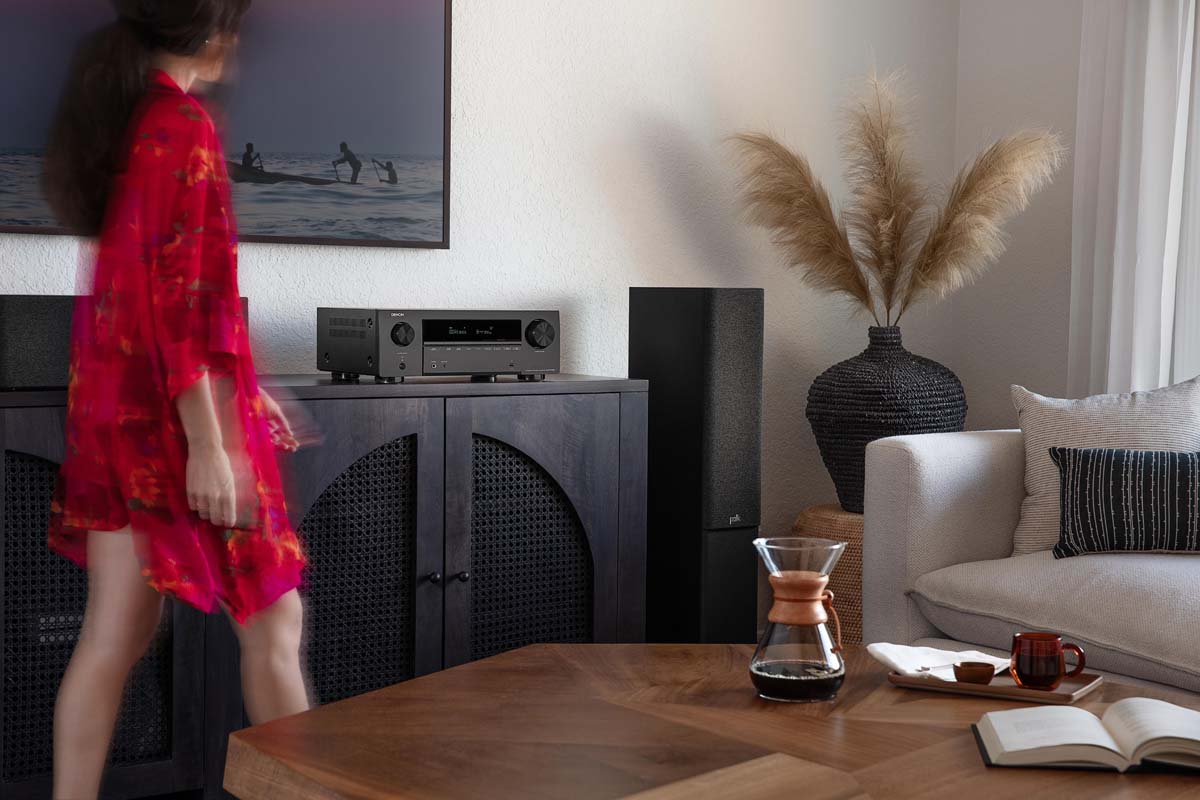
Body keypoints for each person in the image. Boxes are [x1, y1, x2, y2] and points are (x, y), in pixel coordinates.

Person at [42, 2, 310, 798]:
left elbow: (148, 298)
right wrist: (211, 441)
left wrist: (247, 390)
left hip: (125, 419)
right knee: (273, 619)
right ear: (213, 33)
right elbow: (181, 301)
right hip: (177, 425)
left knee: (113, 636)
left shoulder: (136, 123)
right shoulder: (182, 126)